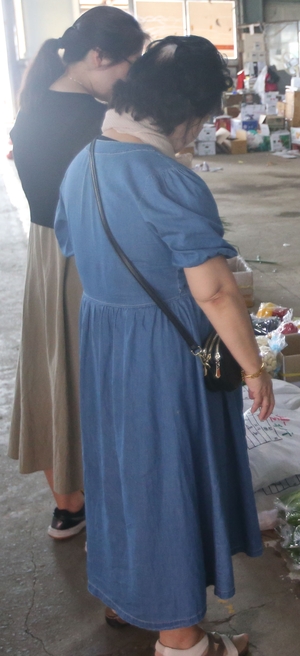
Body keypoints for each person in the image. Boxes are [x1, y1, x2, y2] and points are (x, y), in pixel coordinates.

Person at [54, 36, 272, 655]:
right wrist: (253, 367)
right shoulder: (167, 179)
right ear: (190, 113)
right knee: (166, 479)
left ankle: (129, 596)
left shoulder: (84, 161)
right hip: (164, 356)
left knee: (124, 474)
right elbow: (215, 293)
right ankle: (181, 638)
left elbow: (78, 249)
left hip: (106, 346)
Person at [8, 6, 147, 541]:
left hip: (46, 258)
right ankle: (112, 500)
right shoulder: (98, 123)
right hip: (90, 257)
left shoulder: (32, 107)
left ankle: (67, 504)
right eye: (126, 66)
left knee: (53, 371)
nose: (127, 79)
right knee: (98, 380)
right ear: (97, 57)